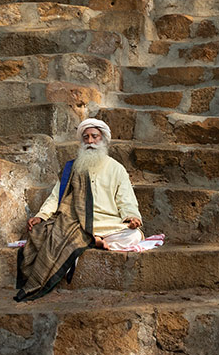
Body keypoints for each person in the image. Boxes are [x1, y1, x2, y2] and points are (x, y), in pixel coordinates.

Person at [15, 118, 143, 302]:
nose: (90, 141)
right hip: (76, 222)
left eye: (94, 137)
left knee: (134, 236)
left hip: (106, 223)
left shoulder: (117, 169)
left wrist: (131, 217)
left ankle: (92, 241)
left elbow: (126, 199)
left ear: (103, 139)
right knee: (44, 232)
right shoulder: (72, 168)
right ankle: (92, 240)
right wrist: (41, 216)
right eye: (86, 137)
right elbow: (55, 197)